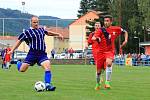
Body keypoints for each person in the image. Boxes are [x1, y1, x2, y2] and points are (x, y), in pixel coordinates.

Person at [9, 16, 63, 91]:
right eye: (34, 22)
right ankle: (18, 62)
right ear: (31, 23)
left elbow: (48, 33)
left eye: (37, 22)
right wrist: (12, 50)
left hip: (42, 54)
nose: (36, 23)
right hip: (32, 54)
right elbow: (19, 41)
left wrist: (58, 34)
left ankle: (48, 85)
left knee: (47, 67)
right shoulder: (27, 32)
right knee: (22, 70)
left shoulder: (41, 29)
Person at [92, 15, 128, 89]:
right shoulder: (100, 30)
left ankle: (107, 82)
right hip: (100, 52)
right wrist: (97, 38)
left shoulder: (116, 29)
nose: (106, 22)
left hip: (110, 51)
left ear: (111, 22)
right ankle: (98, 84)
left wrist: (126, 40)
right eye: (105, 21)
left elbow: (125, 32)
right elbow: (93, 37)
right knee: (98, 72)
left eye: (107, 21)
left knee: (109, 63)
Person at [87, 22, 106, 90]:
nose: (97, 27)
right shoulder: (92, 34)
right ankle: (98, 82)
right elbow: (89, 42)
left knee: (105, 67)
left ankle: (100, 76)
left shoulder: (103, 33)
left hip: (104, 52)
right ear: (94, 27)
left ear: (100, 26)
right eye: (96, 25)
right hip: (96, 53)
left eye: (98, 25)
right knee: (98, 67)